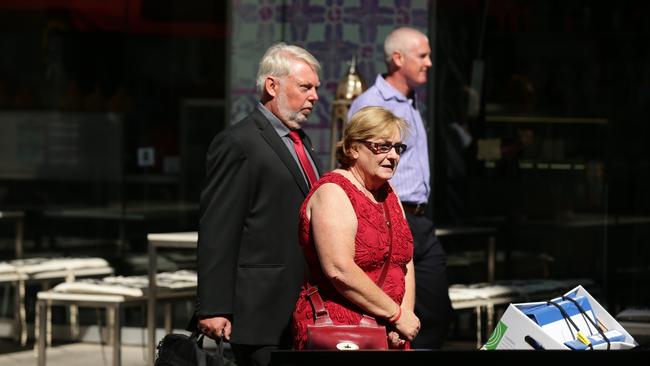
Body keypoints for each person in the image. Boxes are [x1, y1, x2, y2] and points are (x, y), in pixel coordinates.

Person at [195, 43, 321, 366]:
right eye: (305, 87)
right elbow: (218, 229)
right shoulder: (240, 142)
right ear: (272, 85)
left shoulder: (302, 143)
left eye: (316, 89)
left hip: (302, 309)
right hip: (259, 313)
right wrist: (214, 307)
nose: (315, 97)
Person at [348, 27, 453, 349]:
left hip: (419, 219)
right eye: (422, 56)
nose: (430, 63)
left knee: (436, 311)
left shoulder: (411, 100)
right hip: (388, 216)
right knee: (393, 314)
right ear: (397, 58)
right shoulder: (372, 103)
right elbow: (357, 164)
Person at [292, 106, 421, 349]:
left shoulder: (388, 195)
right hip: (341, 332)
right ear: (352, 149)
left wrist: (404, 317)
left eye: (397, 148)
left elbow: (404, 261)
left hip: (391, 331)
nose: (393, 155)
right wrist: (395, 314)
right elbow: (339, 269)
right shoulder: (333, 192)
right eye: (382, 146)